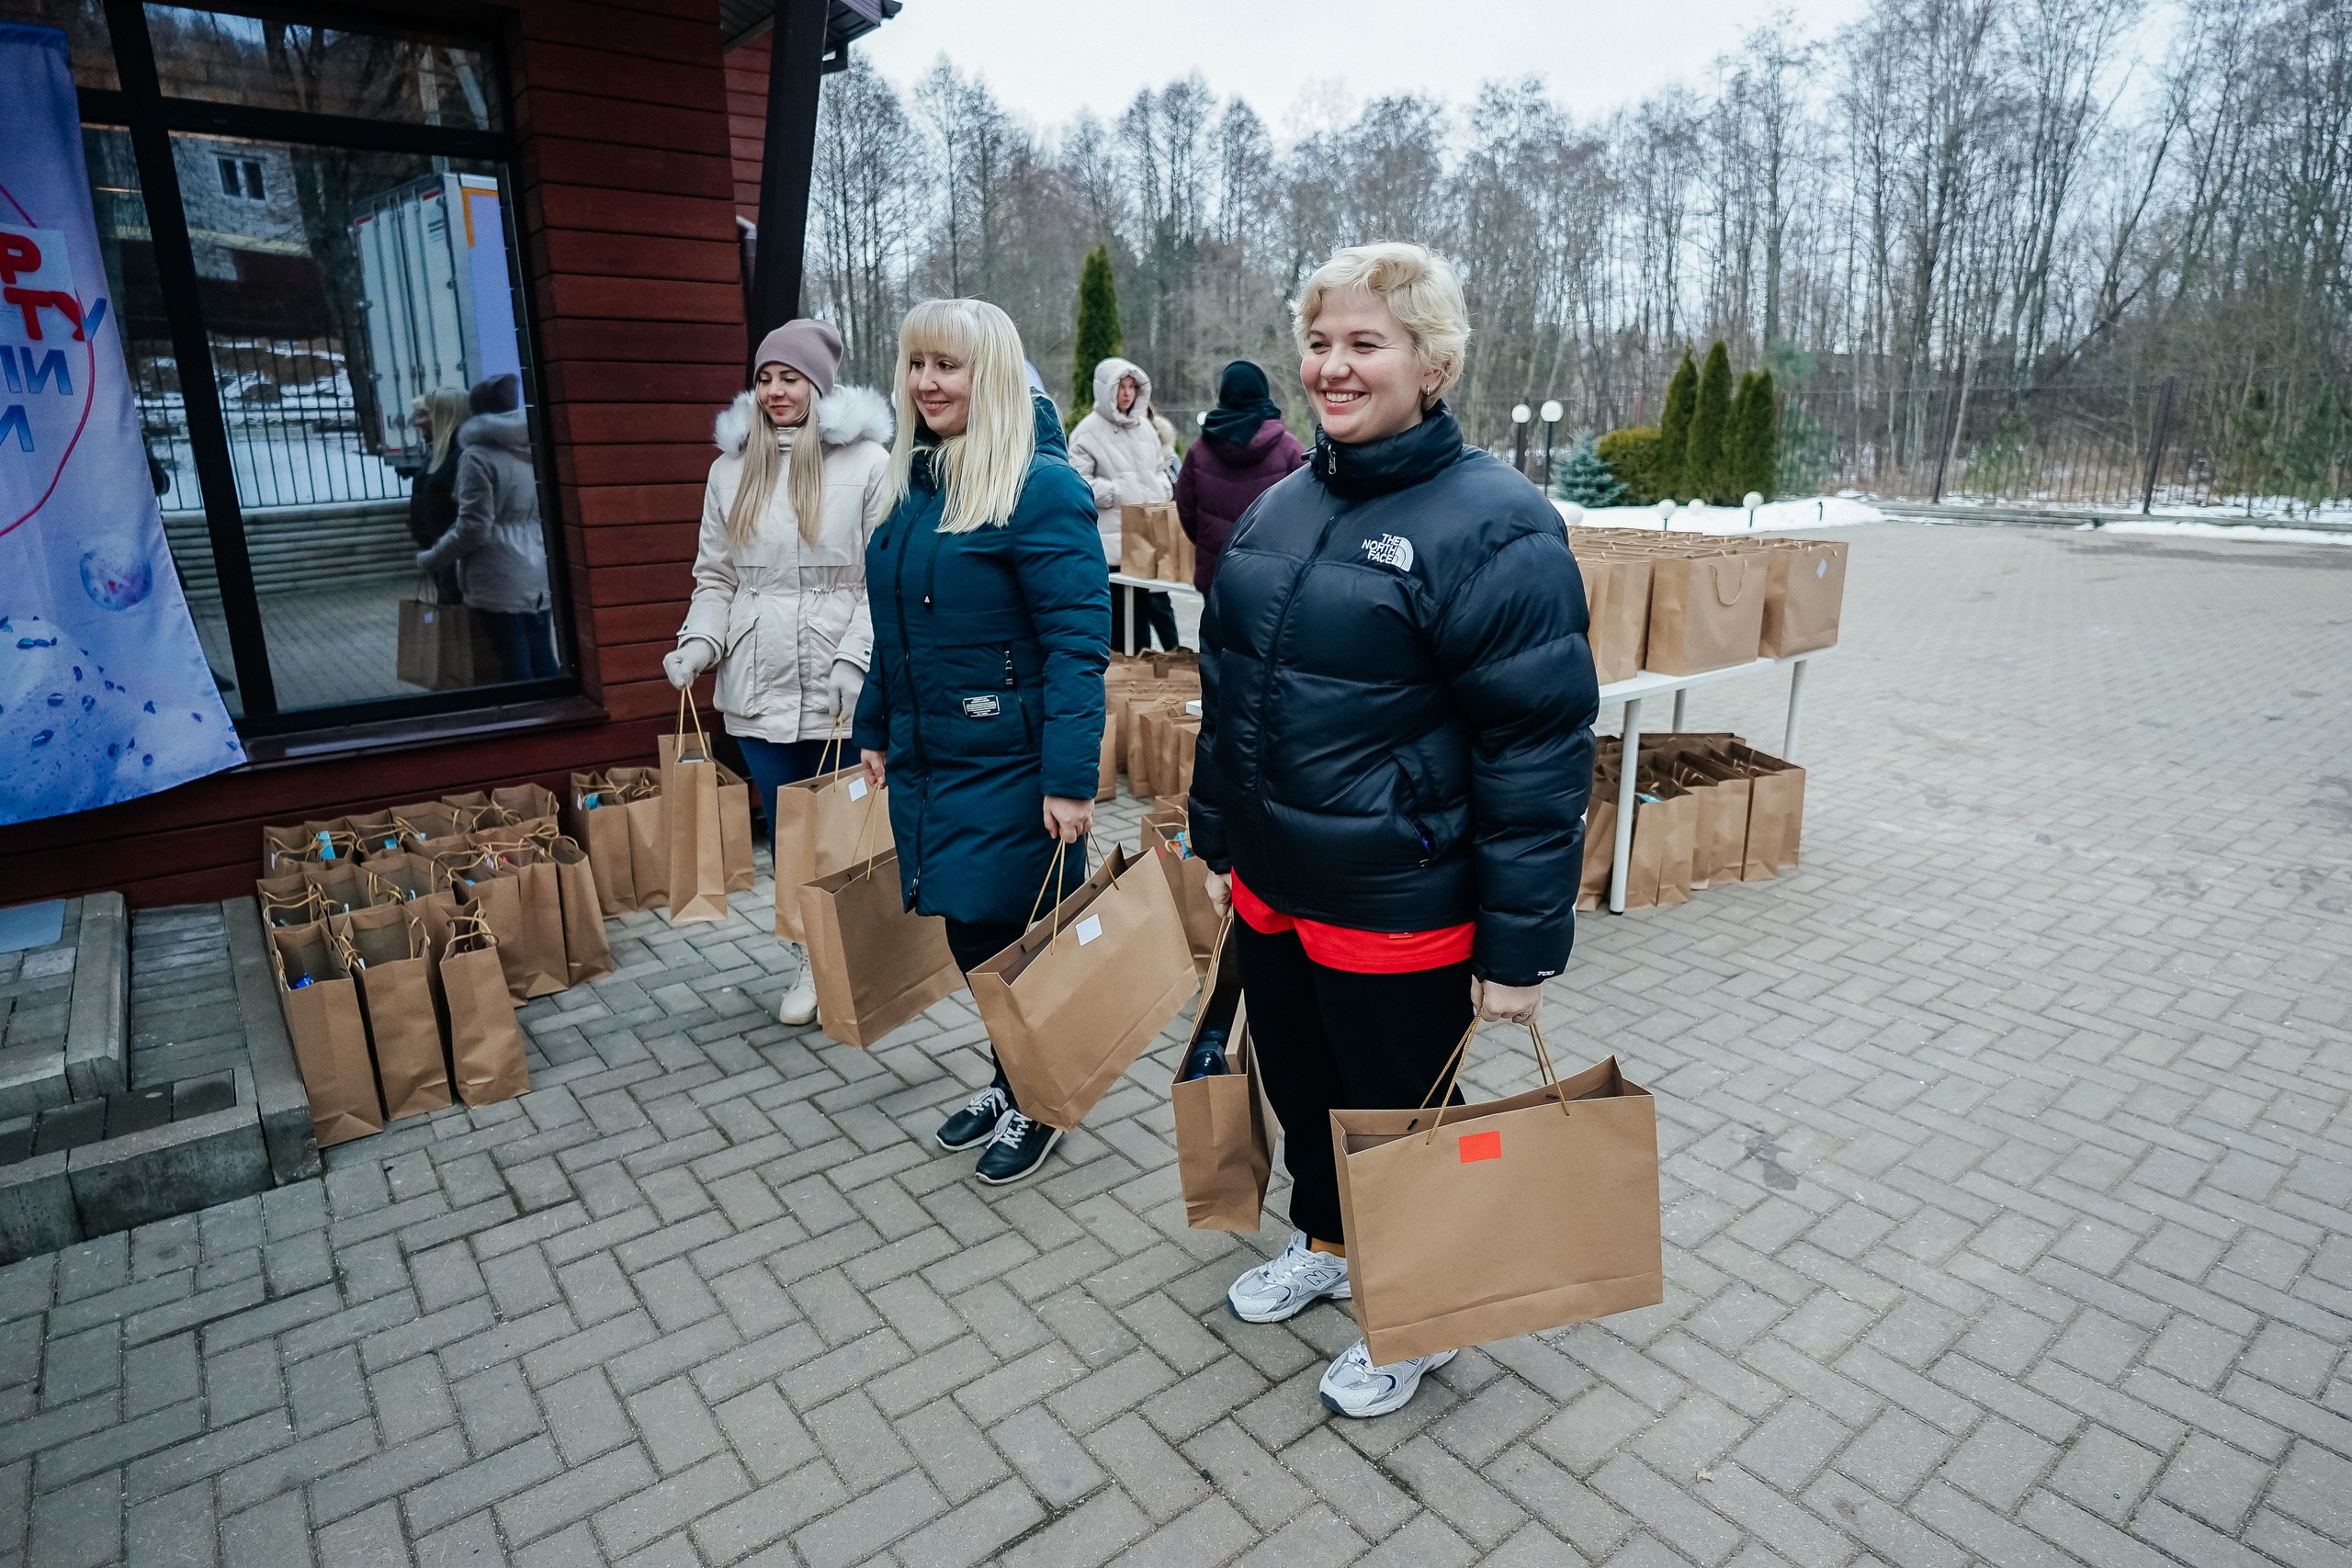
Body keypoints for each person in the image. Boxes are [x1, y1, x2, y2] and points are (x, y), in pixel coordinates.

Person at [1188, 243, 1598, 1418]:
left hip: (1397, 905)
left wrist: (1518, 952)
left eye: (1364, 342)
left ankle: (1416, 1311)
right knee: (1309, 1089)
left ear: (1433, 360)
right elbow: (1231, 697)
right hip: (1276, 888)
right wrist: (1220, 845)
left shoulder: (1499, 524)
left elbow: (1536, 747)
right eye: (1319, 342)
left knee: (1401, 1118)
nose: (1331, 366)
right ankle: (1325, 1243)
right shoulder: (1280, 505)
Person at [852, 299, 1107, 1186]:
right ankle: (1012, 1078)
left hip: (1016, 765)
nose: (928, 382)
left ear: (990, 372)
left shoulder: (1040, 486)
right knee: (972, 936)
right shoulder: (914, 483)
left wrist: (1072, 780)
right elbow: (895, 632)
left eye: (949, 365)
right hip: (935, 758)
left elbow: (1079, 645)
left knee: (1024, 945)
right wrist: (875, 726)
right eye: (918, 363)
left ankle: (1043, 1099)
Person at [664, 321, 893, 1027]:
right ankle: (812, 957)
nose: (774, 391)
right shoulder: (730, 469)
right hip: (756, 682)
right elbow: (716, 576)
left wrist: (858, 658)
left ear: (819, 383)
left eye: (789, 377)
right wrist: (698, 644)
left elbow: (877, 579)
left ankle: (871, 947)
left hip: (840, 682)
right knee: (792, 830)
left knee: (848, 826)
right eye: (764, 378)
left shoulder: (870, 462)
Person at [418, 374, 557, 683]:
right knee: (543, 658)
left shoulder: (477, 456)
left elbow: (475, 527)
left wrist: (433, 557)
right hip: (537, 567)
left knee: (512, 665)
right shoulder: (533, 448)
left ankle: (525, 725)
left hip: (497, 575)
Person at [1068, 356, 1180, 651]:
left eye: (1132, 386)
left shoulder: (1145, 428)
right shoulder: (1086, 432)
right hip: (1111, 548)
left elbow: (1161, 470)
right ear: (1107, 389)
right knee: (1118, 632)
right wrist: (1115, 491)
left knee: (1143, 627)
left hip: (1146, 543)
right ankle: (1119, 691)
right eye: (1121, 386)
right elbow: (1076, 486)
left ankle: (1141, 690)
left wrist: (1161, 488)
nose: (1127, 393)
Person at [1174, 361, 1306, 595]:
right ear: (1263, 394)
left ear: (1224, 394)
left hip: (1217, 574)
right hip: (1272, 580)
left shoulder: (1198, 450)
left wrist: (1210, 540)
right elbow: (1309, 512)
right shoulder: (1290, 450)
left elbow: (1185, 510)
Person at [406, 388, 470, 604]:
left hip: (459, 568)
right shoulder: (443, 456)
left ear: (447, 416)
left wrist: (436, 555)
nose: (417, 422)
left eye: (425, 414)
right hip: (446, 564)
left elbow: (470, 523)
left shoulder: (463, 459)